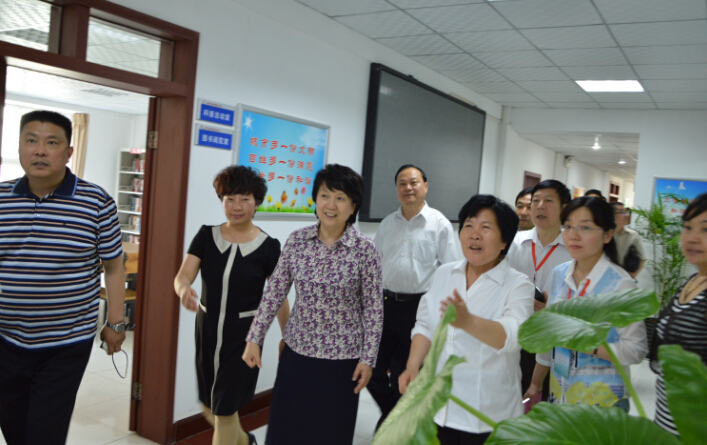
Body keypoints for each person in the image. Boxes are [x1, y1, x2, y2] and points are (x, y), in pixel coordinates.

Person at [0, 111, 125, 445]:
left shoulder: (96, 202)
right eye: (31, 141)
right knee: (13, 428)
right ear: (19, 147)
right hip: (5, 338)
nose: (40, 150)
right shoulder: (1, 198)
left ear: (69, 152)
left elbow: (114, 266)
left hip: (66, 342)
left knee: (44, 434)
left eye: (51, 143)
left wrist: (115, 322)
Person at [243, 164, 383, 445]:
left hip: (342, 360)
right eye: (325, 195)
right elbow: (274, 293)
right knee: (286, 431)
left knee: (329, 434)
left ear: (353, 206)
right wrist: (254, 339)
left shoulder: (364, 250)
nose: (331, 205)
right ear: (315, 199)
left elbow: (374, 310)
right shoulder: (297, 241)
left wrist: (368, 359)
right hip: (297, 353)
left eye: (340, 198)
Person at [399, 195, 534, 445]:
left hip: (488, 415)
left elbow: (514, 335)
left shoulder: (518, 285)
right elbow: (425, 325)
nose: (474, 235)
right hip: (439, 408)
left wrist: (468, 322)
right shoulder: (444, 274)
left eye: (486, 228)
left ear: (504, 241)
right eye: (469, 226)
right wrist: (412, 366)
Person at [174, 165, 288, 445]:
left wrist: (288, 336)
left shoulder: (268, 246)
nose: (236, 206)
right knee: (210, 405)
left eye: (244, 199)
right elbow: (183, 276)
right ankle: (245, 441)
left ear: (256, 202)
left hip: (245, 337)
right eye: (230, 199)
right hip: (207, 331)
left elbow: (278, 296)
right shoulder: (206, 236)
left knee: (224, 409)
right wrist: (183, 289)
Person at [524, 197, 648, 411]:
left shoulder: (620, 285)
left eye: (585, 227)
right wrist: (536, 382)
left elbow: (636, 350)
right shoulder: (560, 274)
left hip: (603, 404)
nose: (574, 235)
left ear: (607, 235)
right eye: (568, 226)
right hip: (560, 396)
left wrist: (585, 343)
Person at [368, 164, 458, 428]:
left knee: (408, 370)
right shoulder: (387, 224)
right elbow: (374, 266)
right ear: (396, 188)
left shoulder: (439, 224)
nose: (408, 188)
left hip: (419, 308)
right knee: (370, 367)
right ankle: (392, 412)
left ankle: (398, 425)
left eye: (414, 182)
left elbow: (450, 270)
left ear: (425, 186)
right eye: (402, 183)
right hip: (386, 305)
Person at [506, 180, 573, 402]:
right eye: (536, 200)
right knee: (514, 396)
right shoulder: (515, 243)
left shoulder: (573, 250)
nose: (540, 206)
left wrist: (551, 312)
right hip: (516, 333)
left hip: (554, 339)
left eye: (548, 201)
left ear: (564, 207)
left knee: (546, 400)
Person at [652, 193, 707, 436]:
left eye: (705, 229)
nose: (692, 238)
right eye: (687, 227)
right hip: (667, 421)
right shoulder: (693, 280)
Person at [611, 201, 645, 278]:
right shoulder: (604, 234)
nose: (627, 215)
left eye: (626, 212)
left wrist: (632, 276)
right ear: (612, 215)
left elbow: (642, 258)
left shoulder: (633, 235)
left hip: (624, 277)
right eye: (622, 212)